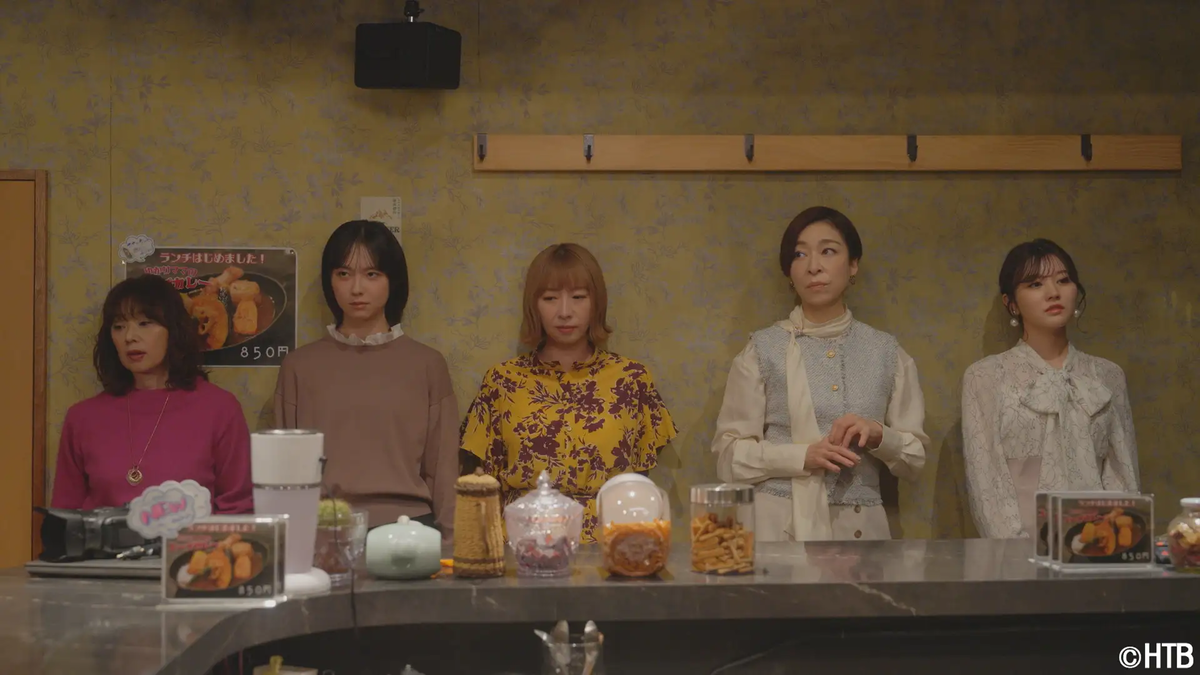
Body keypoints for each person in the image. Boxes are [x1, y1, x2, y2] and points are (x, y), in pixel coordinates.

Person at [711, 207, 928, 542]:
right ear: (789, 271)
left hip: (861, 533)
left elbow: (914, 460)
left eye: (828, 251)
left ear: (853, 264)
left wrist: (878, 435)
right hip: (778, 530)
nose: (814, 266)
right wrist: (802, 456)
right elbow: (729, 457)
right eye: (800, 254)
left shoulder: (887, 352)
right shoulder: (762, 349)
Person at [460, 243, 678, 542]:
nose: (564, 312)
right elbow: (484, 482)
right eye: (550, 298)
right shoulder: (503, 380)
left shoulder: (631, 379)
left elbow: (640, 484)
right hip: (523, 542)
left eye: (578, 297)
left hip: (610, 542)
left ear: (596, 302)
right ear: (534, 305)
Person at [274, 220, 458, 542]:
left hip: (409, 530)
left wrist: (451, 545)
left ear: (392, 281)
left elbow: (443, 470)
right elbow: (285, 472)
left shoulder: (427, 364)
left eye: (372, 274)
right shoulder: (299, 367)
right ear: (330, 281)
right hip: (324, 532)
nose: (356, 288)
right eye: (344, 274)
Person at [962, 239, 1139, 539]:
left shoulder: (1107, 375)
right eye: (1035, 284)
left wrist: (1118, 545)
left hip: (1100, 546)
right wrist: (1015, 552)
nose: (1053, 292)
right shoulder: (985, 377)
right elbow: (987, 482)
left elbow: (1123, 474)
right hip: (1020, 551)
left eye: (1063, 280)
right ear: (1011, 303)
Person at [51, 274, 252, 512]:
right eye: (119, 326)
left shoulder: (219, 409)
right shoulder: (82, 418)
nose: (130, 337)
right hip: (101, 538)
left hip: (194, 538)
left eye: (145, 323)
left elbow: (238, 510)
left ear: (173, 330)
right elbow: (64, 517)